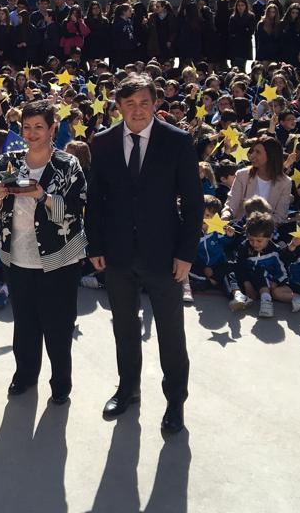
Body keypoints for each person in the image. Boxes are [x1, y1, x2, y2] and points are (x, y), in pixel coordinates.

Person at [86, 73, 203, 434]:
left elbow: (193, 202)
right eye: (129, 103)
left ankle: (175, 401)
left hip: (165, 255)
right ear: (118, 106)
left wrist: (186, 253)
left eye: (144, 102)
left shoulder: (177, 141)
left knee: (171, 333)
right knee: (123, 327)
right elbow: (96, 199)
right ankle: (128, 389)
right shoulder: (103, 142)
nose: (137, 110)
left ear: (155, 103)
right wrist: (95, 245)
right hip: (118, 253)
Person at [0, 100, 87, 404]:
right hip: (17, 257)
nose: (32, 133)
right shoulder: (9, 161)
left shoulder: (67, 164)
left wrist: (43, 196)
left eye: (39, 126)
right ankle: (25, 375)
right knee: (25, 323)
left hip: (60, 259)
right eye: (27, 127)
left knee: (58, 325)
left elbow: (75, 211)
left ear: (53, 128)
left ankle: (61, 383)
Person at [222, 135, 292, 223]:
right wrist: (226, 216)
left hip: (267, 229)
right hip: (239, 227)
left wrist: (258, 224)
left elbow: (280, 216)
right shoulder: (242, 175)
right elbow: (231, 205)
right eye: (253, 151)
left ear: (271, 156)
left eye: (258, 152)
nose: (252, 155)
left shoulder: (285, 183)